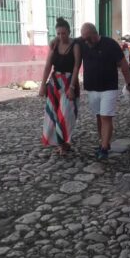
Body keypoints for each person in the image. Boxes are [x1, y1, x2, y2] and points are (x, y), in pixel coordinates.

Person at [80, 22, 130, 160]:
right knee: (99, 116)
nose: (86, 41)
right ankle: (103, 141)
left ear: (95, 33)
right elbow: (66, 41)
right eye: (83, 38)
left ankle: (104, 148)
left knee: (106, 116)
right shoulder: (83, 43)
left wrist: (128, 83)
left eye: (88, 38)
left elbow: (123, 64)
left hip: (109, 87)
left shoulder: (110, 44)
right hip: (92, 88)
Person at [39, 17, 81, 155]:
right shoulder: (55, 45)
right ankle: (59, 143)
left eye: (63, 33)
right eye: (58, 33)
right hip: (54, 83)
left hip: (69, 82)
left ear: (69, 32)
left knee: (66, 114)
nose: (61, 36)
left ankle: (65, 143)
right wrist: (42, 85)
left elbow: (76, 66)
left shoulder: (75, 45)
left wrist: (72, 87)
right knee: (53, 114)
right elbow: (47, 66)